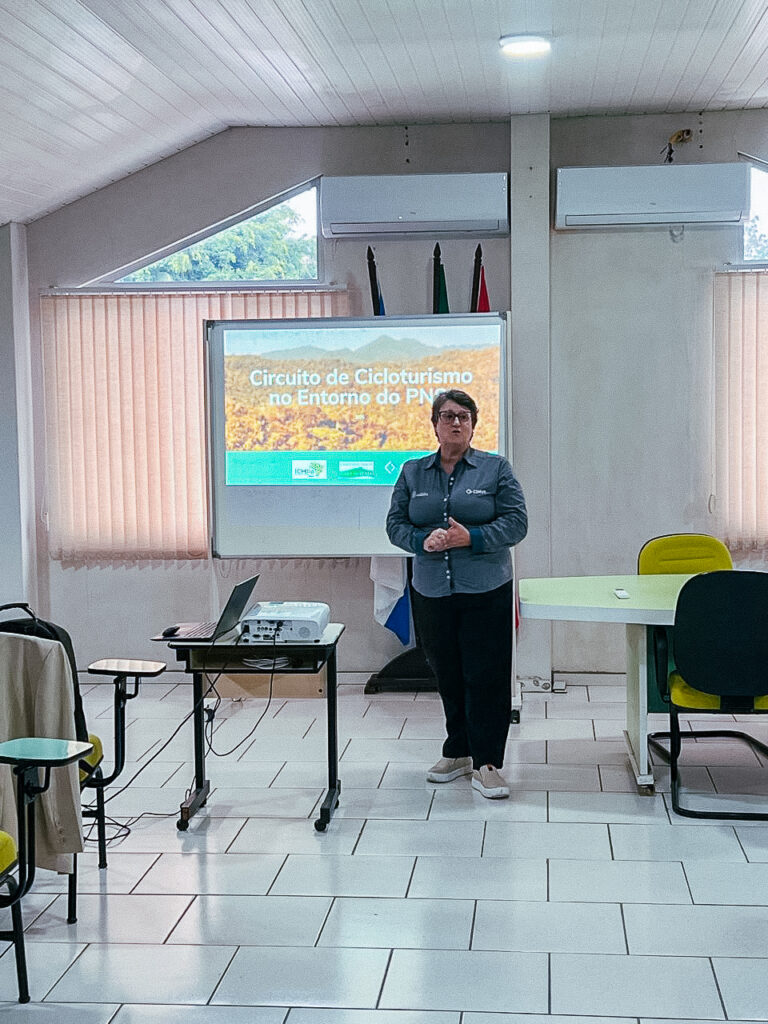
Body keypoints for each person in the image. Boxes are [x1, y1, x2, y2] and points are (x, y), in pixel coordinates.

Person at [386, 388, 527, 799]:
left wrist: (473, 537)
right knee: (447, 675)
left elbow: (517, 524)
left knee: (486, 676)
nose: (456, 422)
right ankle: (458, 750)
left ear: (473, 425)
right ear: (434, 425)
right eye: (447, 416)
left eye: (464, 416)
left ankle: (487, 763)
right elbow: (394, 524)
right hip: (431, 591)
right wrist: (419, 540)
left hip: (485, 590)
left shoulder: (496, 469)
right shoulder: (413, 472)